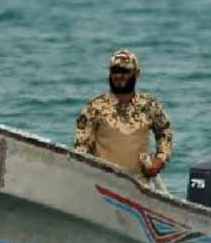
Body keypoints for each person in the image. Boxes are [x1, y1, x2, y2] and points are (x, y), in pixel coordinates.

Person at [74, 49, 173, 179]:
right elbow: (82, 147)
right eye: (115, 71)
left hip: (140, 186)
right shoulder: (95, 107)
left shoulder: (149, 105)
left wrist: (159, 160)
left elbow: (164, 133)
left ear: (137, 74)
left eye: (125, 71)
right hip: (104, 183)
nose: (118, 75)